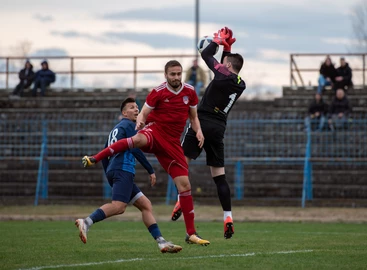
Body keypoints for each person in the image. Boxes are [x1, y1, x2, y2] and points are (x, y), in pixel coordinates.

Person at [81, 60, 210, 246]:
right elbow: (143, 113)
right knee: (137, 140)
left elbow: (194, 117)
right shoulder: (157, 92)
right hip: (156, 131)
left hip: (172, 144)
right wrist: (140, 122)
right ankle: (95, 157)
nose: (176, 77)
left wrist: (198, 130)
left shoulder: (189, 91)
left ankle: (191, 233)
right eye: (172, 74)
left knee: (184, 185)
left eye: (178, 74)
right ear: (165, 75)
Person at [75, 97, 182, 253]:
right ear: (124, 113)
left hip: (116, 170)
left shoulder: (115, 129)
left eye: (137, 107)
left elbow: (105, 154)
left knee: (145, 205)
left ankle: (161, 242)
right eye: (132, 107)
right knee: (119, 207)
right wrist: (150, 169)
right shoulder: (130, 125)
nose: (137, 109)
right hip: (123, 169)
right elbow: (135, 148)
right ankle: (86, 221)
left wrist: (110, 174)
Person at [171, 27, 246, 240]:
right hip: (219, 127)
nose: (222, 65)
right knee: (219, 177)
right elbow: (221, 71)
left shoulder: (223, 74)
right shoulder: (240, 83)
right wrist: (228, 48)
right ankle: (228, 217)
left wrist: (216, 40)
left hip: (201, 122)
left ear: (228, 66)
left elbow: (205, 54)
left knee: (181, 163)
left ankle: (180, 199)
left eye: (225, 63)